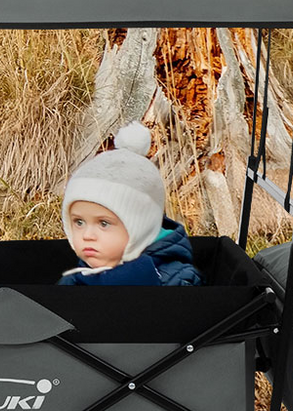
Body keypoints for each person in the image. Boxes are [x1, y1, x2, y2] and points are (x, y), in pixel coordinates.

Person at [58, 123, 200, 288]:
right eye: (79, 222)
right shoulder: (75, 279)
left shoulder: (176, 280)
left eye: (104, 223)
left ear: (140, 228)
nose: (87, 235)